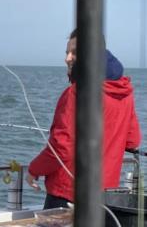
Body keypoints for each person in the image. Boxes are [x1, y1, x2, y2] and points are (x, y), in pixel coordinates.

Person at [27, 28, 141, 209]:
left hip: (67, 194)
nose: (67, 58)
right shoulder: (125, 93)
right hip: (103, 197)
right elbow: (133, 141)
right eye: (67, 53)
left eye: (75, 53)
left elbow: (61, 147)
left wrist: (34, 169)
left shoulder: (76, 92)